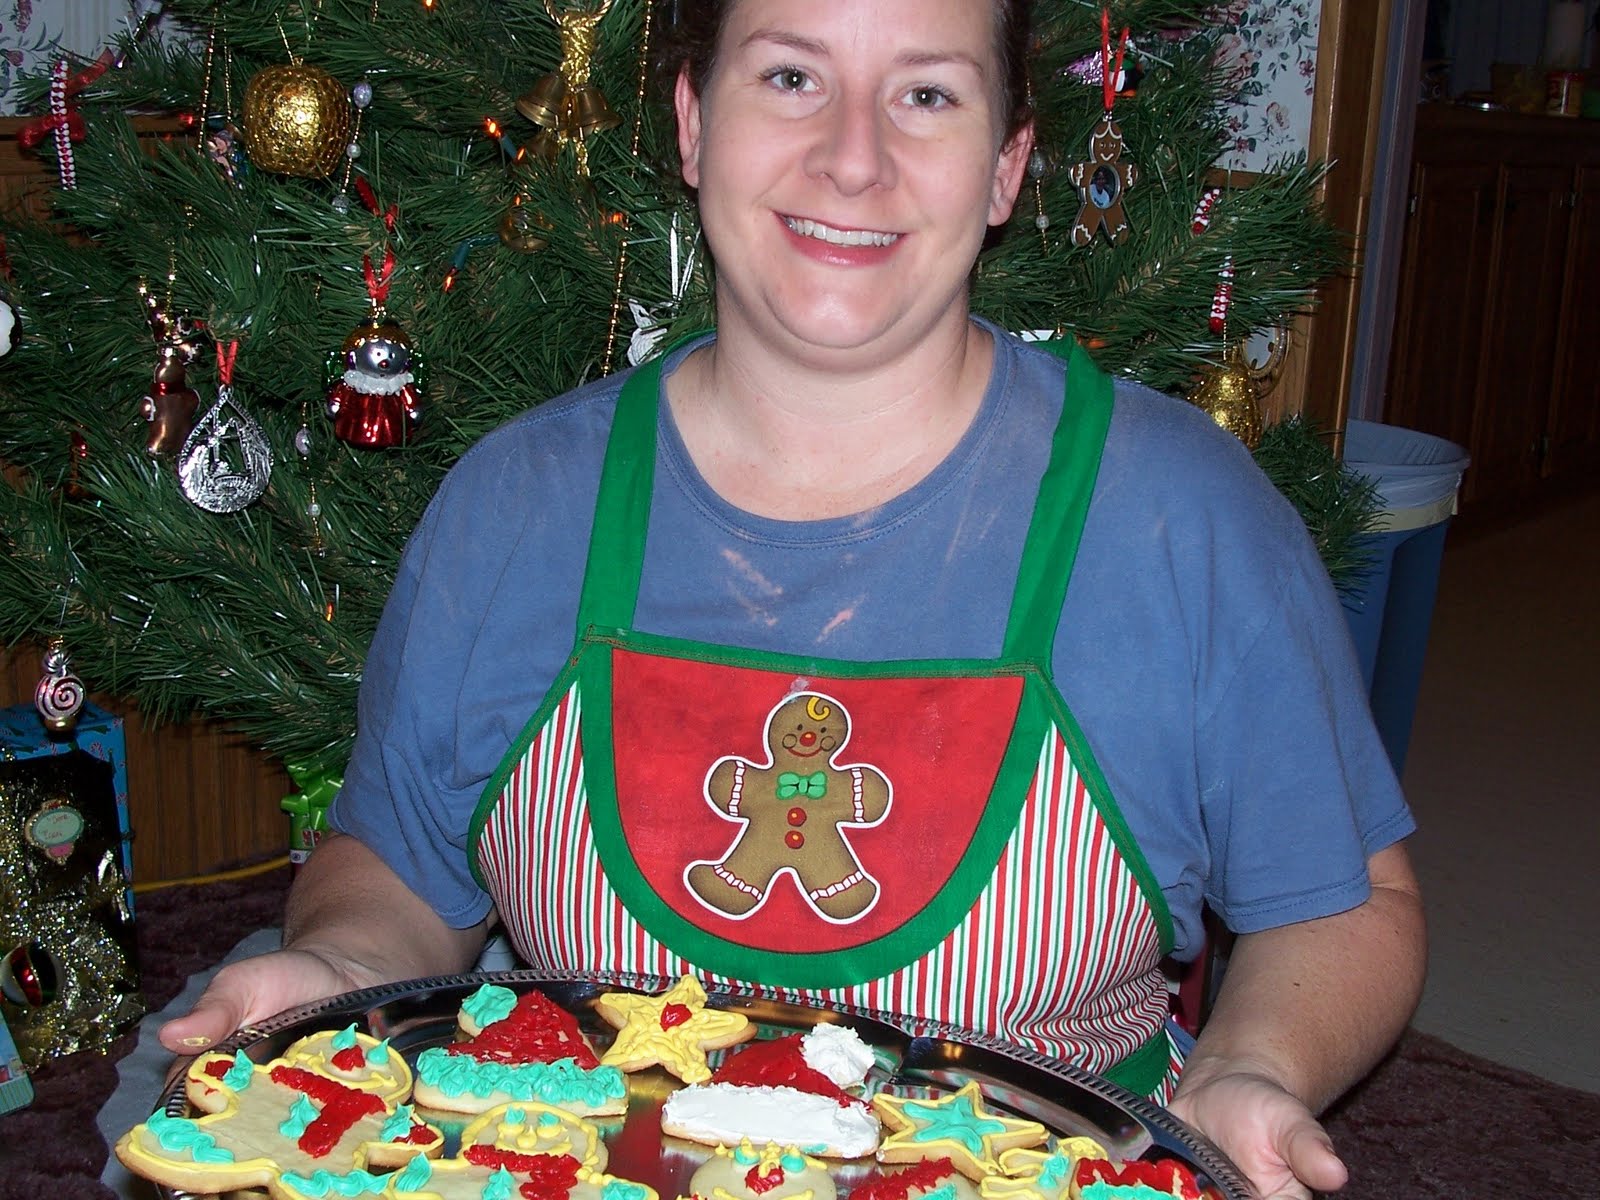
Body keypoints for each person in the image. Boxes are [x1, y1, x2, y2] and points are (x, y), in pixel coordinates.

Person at [159, 2, 1426, 1197]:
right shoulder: (516, 505)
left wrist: (1249, 1066)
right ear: (693, 123)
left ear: (1005, 167)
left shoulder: (1176, 517)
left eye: (925, 95)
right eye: (789, 76)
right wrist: (339, 966)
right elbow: (397, 866)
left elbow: (1350, 905)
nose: (852, 158)